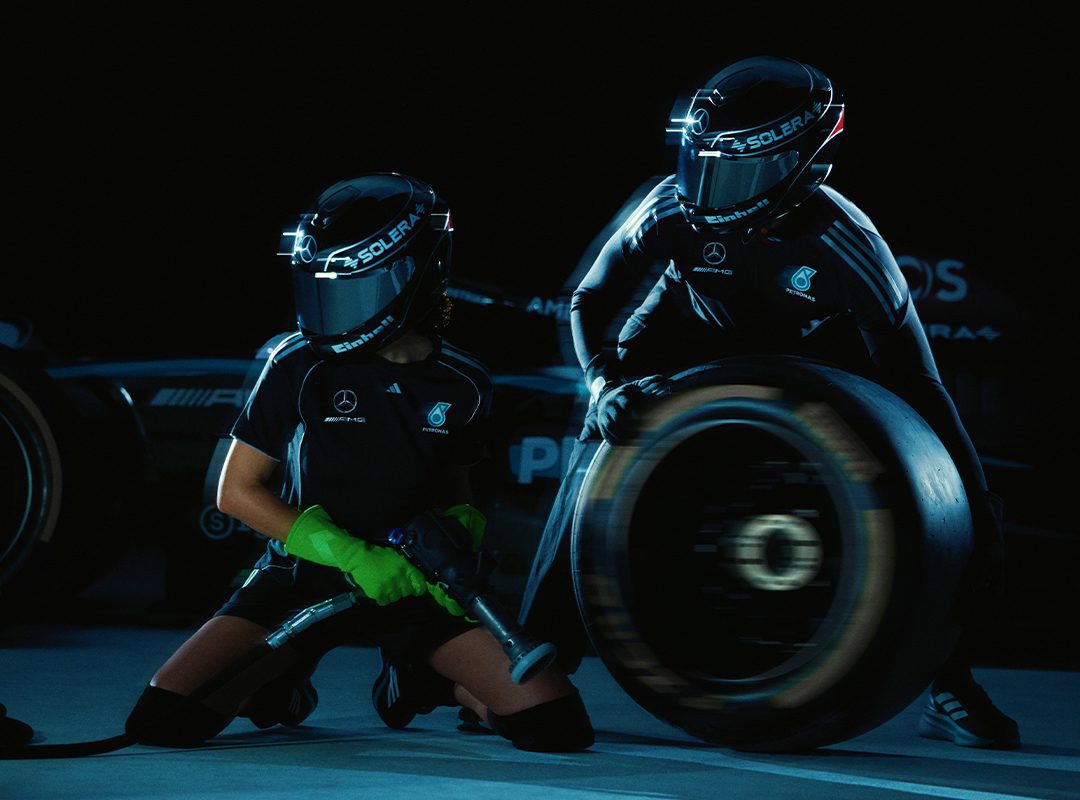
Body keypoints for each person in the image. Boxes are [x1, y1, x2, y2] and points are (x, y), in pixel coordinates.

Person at [518, 55, 1019, 749]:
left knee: (930, 514)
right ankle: (537, 657)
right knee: (600, 441)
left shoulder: (850, 248)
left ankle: (948, 683)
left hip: (818, 355)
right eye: (704, 163)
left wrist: (976, 502)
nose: (709, 190)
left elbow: (921, 384)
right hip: (683, 333)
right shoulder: (669, 202)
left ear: (805, 164)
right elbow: (590, 299)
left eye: (738, 171)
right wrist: (603, 383)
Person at [124, 172, 594, 753]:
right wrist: (351, 553)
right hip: (301, 583)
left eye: (353, 290)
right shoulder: (297, 363)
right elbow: (235, 491)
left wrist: (460, 545)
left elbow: (456, 490)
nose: (332, 311)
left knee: (556, 728)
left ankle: (425, 681)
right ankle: (283, 679)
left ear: (418, 277)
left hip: (411, 586)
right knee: (162, 724)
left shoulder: (465, 382)